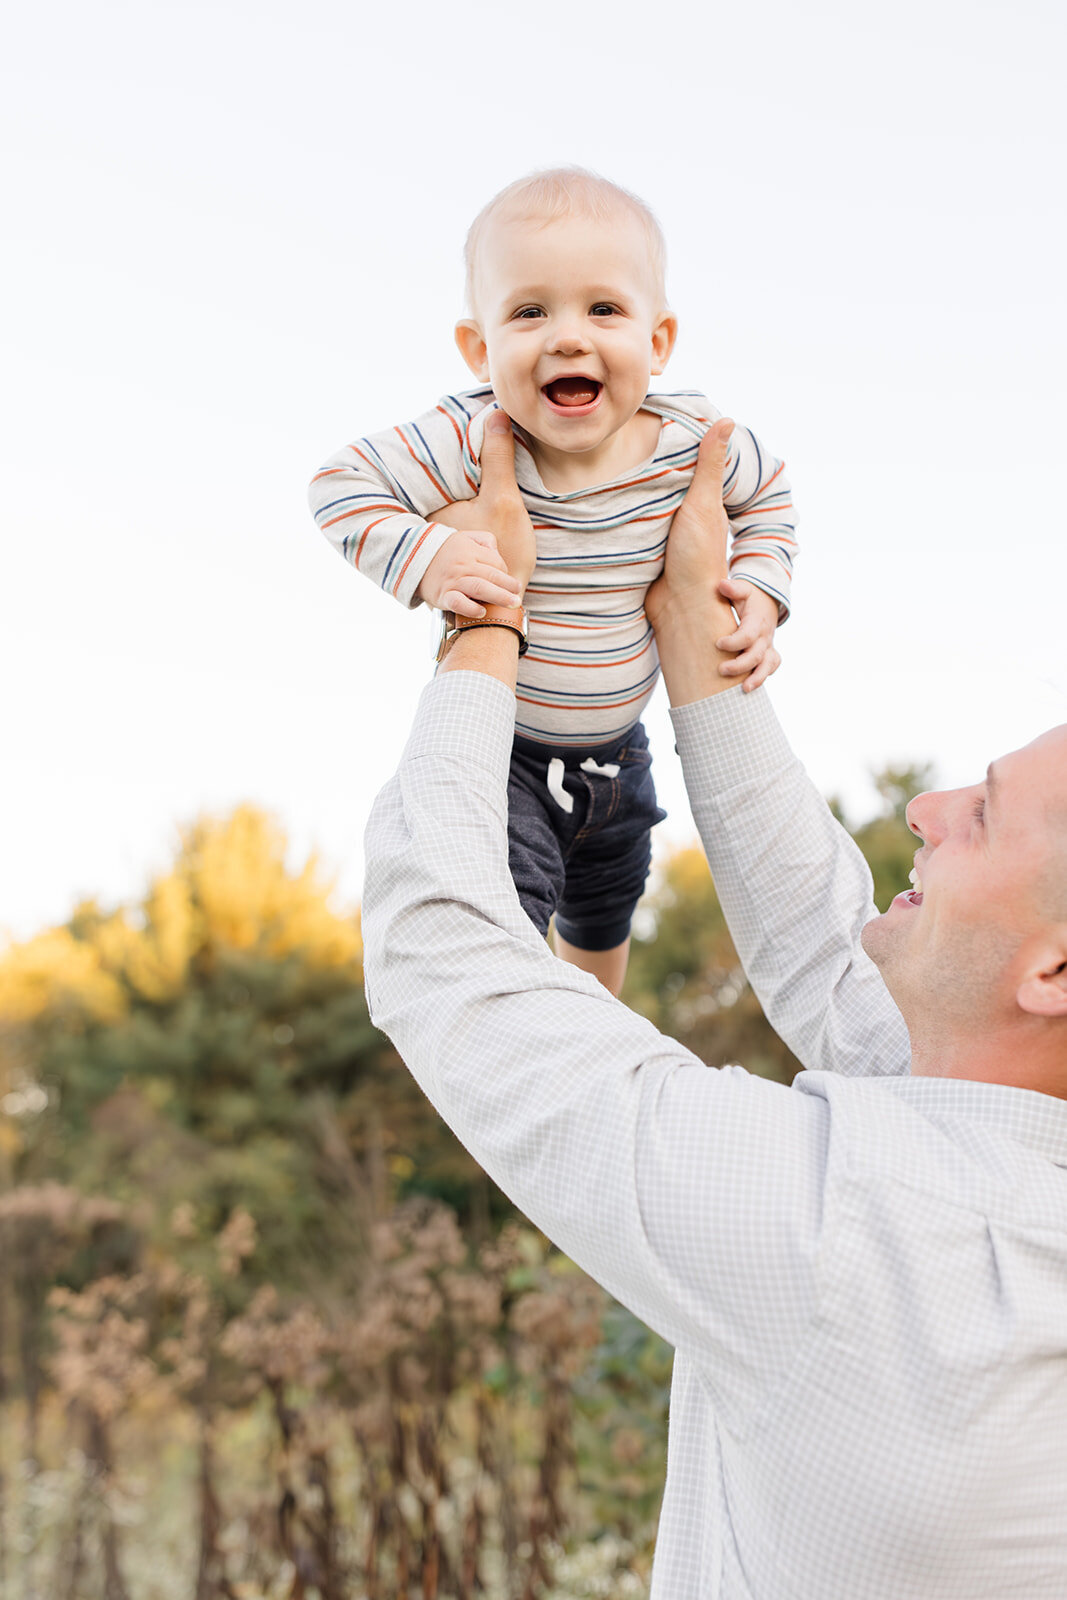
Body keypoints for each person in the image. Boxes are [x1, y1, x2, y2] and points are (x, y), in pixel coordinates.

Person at [361, 413, 1067, 1598]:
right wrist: (689, 633)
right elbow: (836, 968)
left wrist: (485, 622)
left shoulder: (853, 1230)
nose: (926, 807)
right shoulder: (998, 1197)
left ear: (1051, 976)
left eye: (983, 814)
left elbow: (446, 958)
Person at [309, 167, 796, 996]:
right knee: (505, 904)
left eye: (603, 308)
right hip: (505, 752)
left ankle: (600, 1020)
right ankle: (529, 1040)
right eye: (529, 312)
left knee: (610, 902)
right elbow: (338, 486)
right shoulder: (470, 434)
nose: (567, 337)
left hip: (619, 754)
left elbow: (767, 502)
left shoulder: (695, 442)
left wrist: (760, 586)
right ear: (479, 348)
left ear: (658, 340)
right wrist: (427, 555)